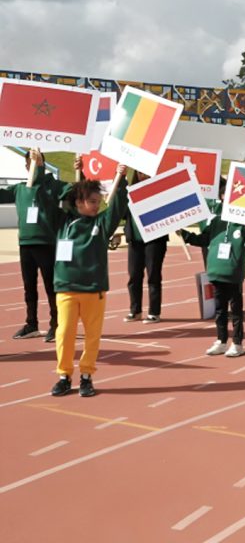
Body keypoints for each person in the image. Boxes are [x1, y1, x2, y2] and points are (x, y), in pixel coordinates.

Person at [51, 161, 128, 397]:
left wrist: (121, 178)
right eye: (92, 201)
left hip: (93, 289)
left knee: (92, 335)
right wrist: (79, 179)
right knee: (64, 333)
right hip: (66, 288)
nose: (97, 205)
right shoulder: (63, 222)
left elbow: (117, 205)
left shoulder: (101, 224)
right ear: (78, 202)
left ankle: (86, 376)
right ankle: (64, 375)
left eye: (98, 201)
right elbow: (57, 197)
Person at [0, 149, 63, 342]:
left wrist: (41, 167)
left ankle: (57, 323)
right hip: (25, 243)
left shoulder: (52, 186)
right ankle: (31, 323)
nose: (34, 165)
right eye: (31, 162)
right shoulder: (19, 189)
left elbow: (76, 192)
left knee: (51, 286)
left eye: (38, 161)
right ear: (26, 166)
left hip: (46, 243)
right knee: (29, 287)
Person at [181, 193, 245, 358]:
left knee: (236, 310)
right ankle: (221, 340)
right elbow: (203, 239)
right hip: (216, 271)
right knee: (220, 309)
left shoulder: (243, 224)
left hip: (233, 273)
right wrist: (184, 234)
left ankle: (238, 342)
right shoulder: (216, 222)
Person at [123, 171, 168, 324]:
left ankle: (154, 312)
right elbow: (123, 214)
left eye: (146, 173)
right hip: (135, 240)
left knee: (153, 275)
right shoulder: (129, 191)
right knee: (134, 275)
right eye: (140, 172)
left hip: (155, 239)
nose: (143, 175)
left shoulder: (161, 190)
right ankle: (135, 310)